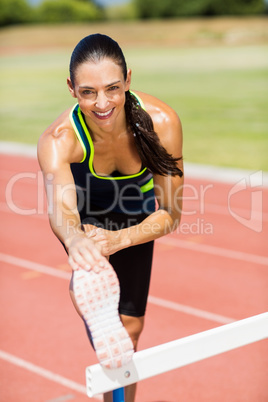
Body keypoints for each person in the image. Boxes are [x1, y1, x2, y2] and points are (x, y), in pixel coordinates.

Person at [38, 33, 183, 402]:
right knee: (113, 331)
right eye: (88, 92)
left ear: (128, 80)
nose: (102, 103)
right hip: (87, 219)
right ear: (72, 89)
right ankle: (88, 284)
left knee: (130, 332)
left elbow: (170, 213)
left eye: (112, 88)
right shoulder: (59, 140)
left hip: (137, 220)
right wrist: (76, 241)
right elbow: (63, 210)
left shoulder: (162, 122)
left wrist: (119, 239)